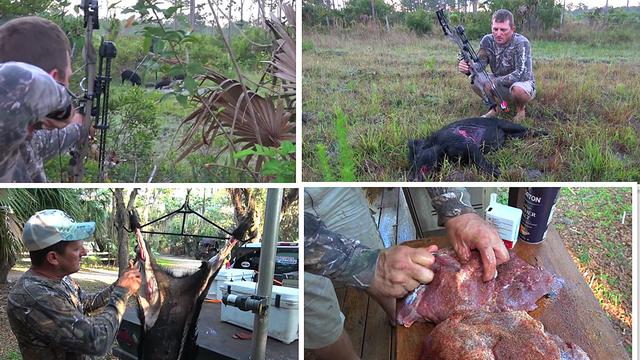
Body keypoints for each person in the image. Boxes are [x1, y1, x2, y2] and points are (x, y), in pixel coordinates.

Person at [304, 188, 509, 360]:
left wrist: (456, 209)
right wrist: (361, 263)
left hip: (332, 190)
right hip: (291, 218)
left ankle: (400, 314)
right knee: (320, 321)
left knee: (377, 259)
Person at [7, 209, 142, 359]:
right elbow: (97, 340)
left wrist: (121, 282)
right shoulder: (33, 296)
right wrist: (121, 292)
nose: (84, 252)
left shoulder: (61, 278)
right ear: (53, 258)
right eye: (77, 249)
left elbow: (84, 302)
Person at [0, 16, 86, 182]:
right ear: (52, 81)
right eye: (66, 79)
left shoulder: (27, 141)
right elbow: (18, 79)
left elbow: (59, 137)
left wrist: (82, 123)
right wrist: (64, 109)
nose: (67, 88)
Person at [458, 9, 535, 121]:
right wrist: (468, 67)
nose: (498, 34)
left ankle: (520, 109)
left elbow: (522, 74)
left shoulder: (521, 42)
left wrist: (495, 82)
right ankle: (494, 108)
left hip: (521, 82)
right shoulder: (487, 40)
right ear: (491, 27)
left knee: (518, 90)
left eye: (503, 29)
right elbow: (480, 64)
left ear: (513, 29)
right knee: (475, 78)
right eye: (495, 29)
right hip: (498, 79)